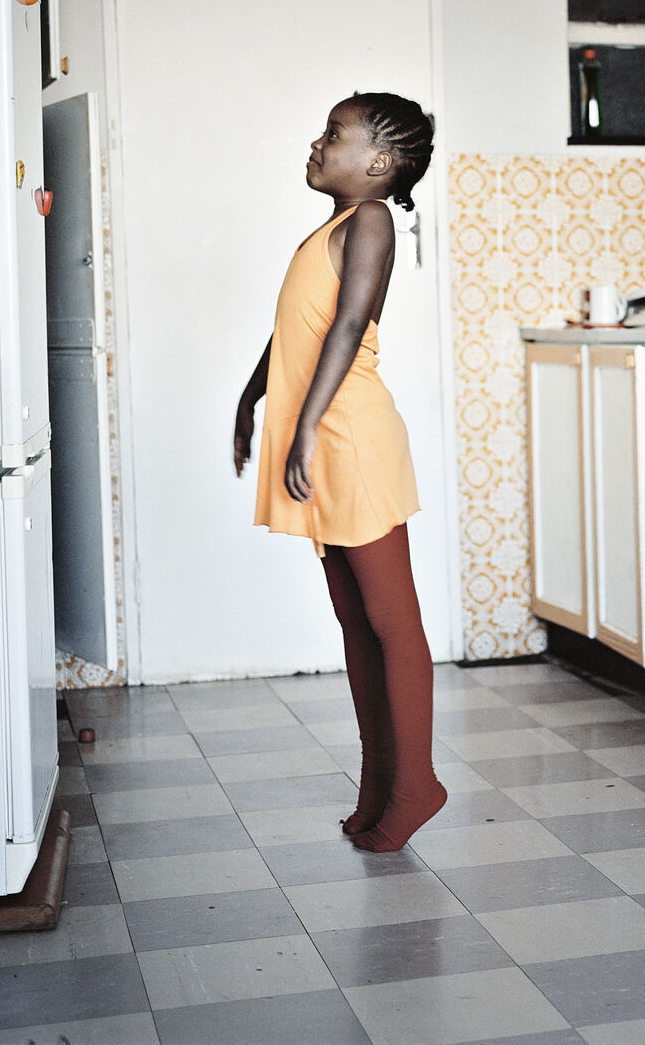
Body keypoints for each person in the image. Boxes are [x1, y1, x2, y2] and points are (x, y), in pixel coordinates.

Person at [232, 92, 446, 853]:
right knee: (357, 624)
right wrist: (252, 401)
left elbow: (351, 328)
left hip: (351, 439)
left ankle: (416, 783)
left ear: (379, 165)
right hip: (325, 437)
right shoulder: (327, 228)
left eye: (334, 134)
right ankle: (380, 778)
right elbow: (295, 331)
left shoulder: (372, 222)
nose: (316, 143)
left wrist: (310, 426)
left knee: (393, 624)